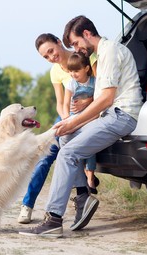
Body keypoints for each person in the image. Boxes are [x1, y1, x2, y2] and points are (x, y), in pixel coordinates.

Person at [19, 15, 143, 238]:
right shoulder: (104, 53)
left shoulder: (110, 51)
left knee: (66, 153)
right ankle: (84, 196)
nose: (76, 49)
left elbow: (105, 99)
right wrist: (69, 124)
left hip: (121, 116)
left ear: (87, 34)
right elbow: (99, 101)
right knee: (64, 138)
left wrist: (73, 121)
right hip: (109, 114)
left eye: (75, 43)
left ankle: (54, 220)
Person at [17, 33, 93, 224]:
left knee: (67, 152)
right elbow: (60, 103)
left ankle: (83, 195)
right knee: (46, 155)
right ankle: (27, 205)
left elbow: (99, 89)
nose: (51, 57)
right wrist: (67, 119)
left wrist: (86, 105)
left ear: (59, 43)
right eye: (46, 56)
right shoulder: (55, 71)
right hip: (67, 115)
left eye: (51, 51)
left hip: (90, 112)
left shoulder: (81, 57)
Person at [63, 51, 99, 194]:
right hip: (75, 117)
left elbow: (100, 99)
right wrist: (67, 119)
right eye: (71, 71)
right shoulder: (71, 83)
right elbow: (66, 103)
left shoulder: (95, 82)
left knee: (89, 142)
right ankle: (79, 177)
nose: (73, 74)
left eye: (76, 71)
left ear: (86, 68)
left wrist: (87, 102)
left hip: (91, 117)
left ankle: (90, 176)